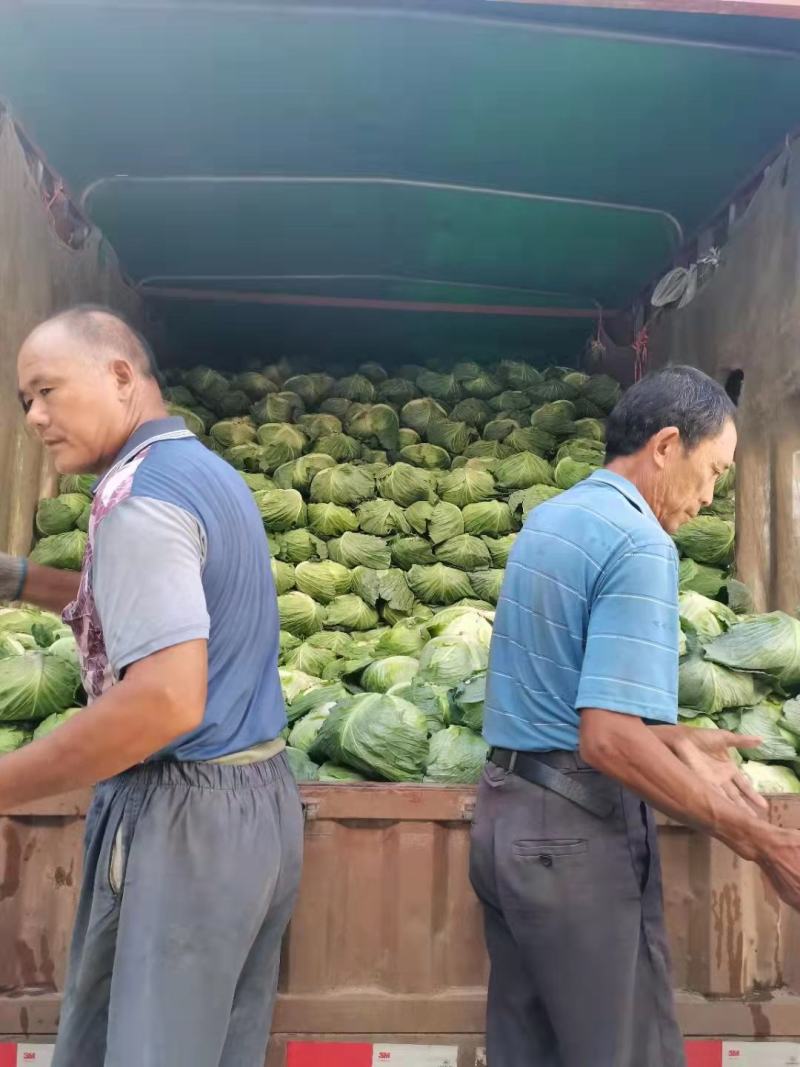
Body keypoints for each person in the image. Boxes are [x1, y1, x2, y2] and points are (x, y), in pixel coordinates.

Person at [470, 365, 800, 1067]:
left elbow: (563, 698)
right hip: (574, 838)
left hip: (506, 820)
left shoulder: (553, 516)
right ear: (666, 445)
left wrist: (681, 739)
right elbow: (608, 740)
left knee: (531, 1051)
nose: (709, 497)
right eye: (711, 471)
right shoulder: (640, 541)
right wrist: (758, 838)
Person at [0, 306, 303, 1067]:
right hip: (257, 801)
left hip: (184, 817)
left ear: (121, 376)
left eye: (46, 390)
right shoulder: (202, 472)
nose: (35, 416)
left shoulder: (137, 500)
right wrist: (20, 581)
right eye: (23, 401)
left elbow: (166, 700)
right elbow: (141, 596)